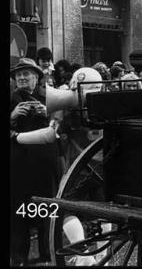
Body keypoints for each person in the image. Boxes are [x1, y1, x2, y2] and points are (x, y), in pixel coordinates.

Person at [10, 58, 61, 265]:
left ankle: (47, 254)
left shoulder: (50, 98)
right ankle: (19, 257)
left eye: (27, 74)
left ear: (37, 77)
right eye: (18, 75)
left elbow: (63, 128)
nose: (22, 77)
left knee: (47, 208)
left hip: (44, 165)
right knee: (17, 211)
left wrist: (47, 113)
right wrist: (11, 116)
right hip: (17, 165)